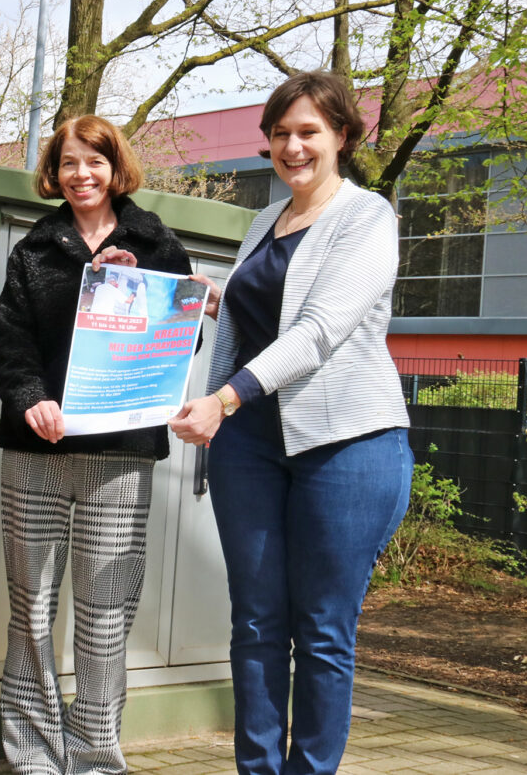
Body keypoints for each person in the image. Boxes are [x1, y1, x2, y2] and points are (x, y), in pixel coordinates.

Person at [168, 70, 413, 775]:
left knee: (323, 631)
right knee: (255, 625)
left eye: (308, 131)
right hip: (251, 447)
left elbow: (317, 330)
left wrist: (224, 400)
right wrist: (185, 297)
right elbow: (259, 318)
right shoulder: (263, 222)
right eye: (280, 134)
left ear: (342, 135)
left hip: (347, 447)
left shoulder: (367, 217)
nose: (292, 146)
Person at [0, 115, 192, 774]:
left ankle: (97, 759)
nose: (82, 174)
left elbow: (177, 343)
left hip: (122, 455)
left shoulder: (158, 246)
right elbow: (13, 349)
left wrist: (134, 290)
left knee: (106, 616)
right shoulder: (33, 252)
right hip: (37, 452)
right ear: (55, 170)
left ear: (116, 168)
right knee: (31, 610)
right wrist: (30, 403)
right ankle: (34, 758)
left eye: (95, 162)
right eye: (70, 162)